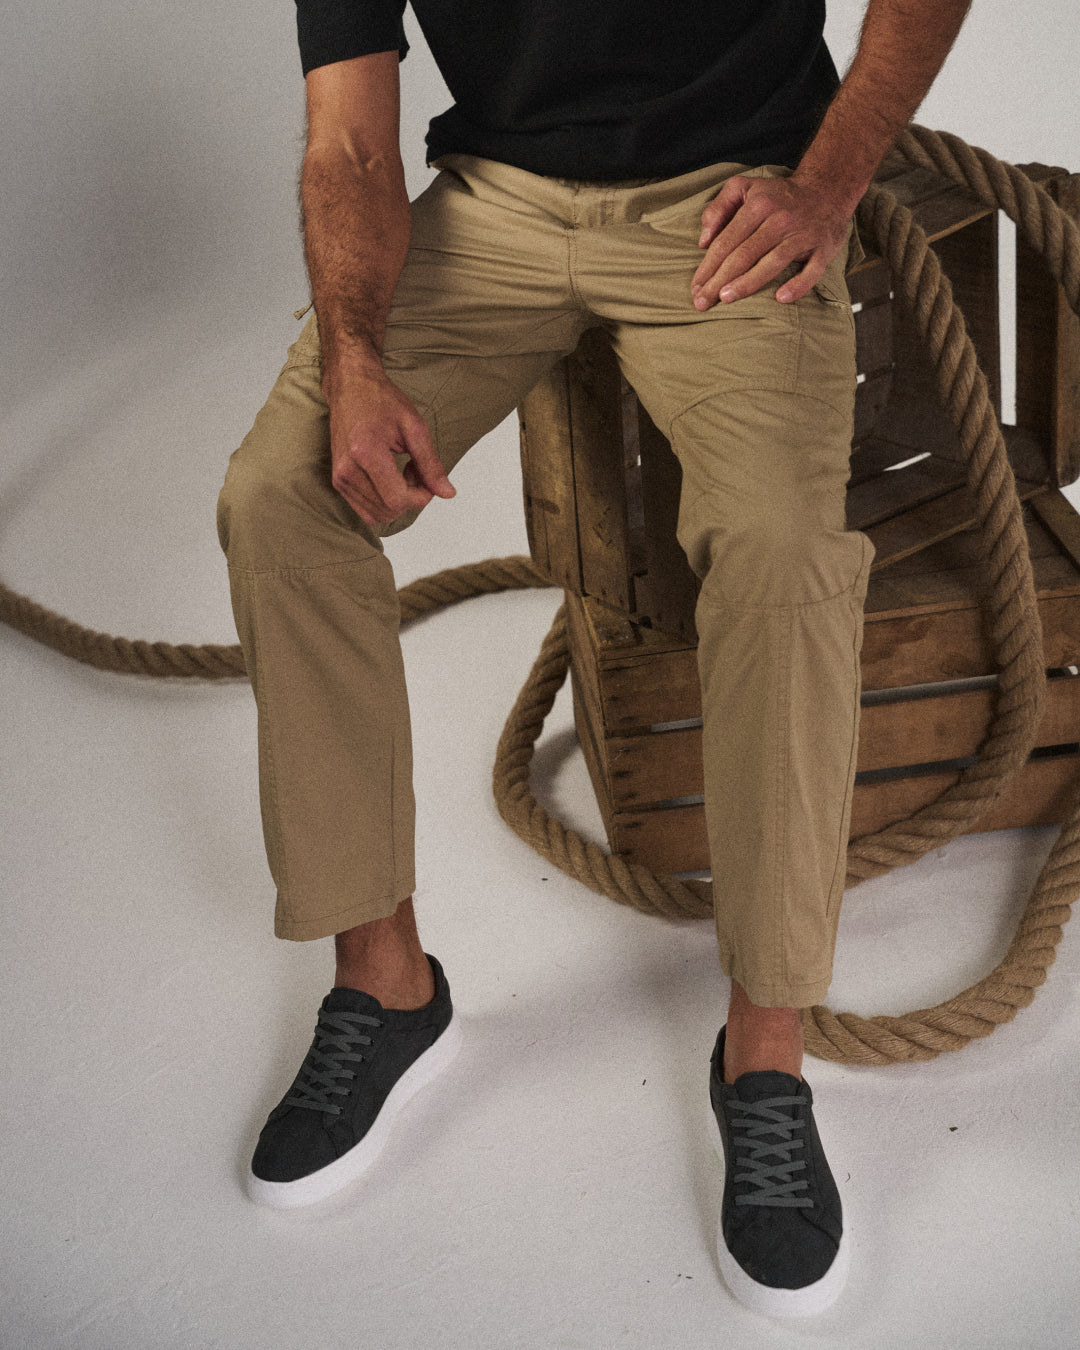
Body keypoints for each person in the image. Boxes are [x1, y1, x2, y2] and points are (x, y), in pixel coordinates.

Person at [216, 0, 973, 1318]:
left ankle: (766, 1056)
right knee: (279, 496)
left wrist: (828, 182)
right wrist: (352, 359)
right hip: (496, 207)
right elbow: (345, 139)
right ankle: (385, 980)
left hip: (733, 199)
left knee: (783, 551)